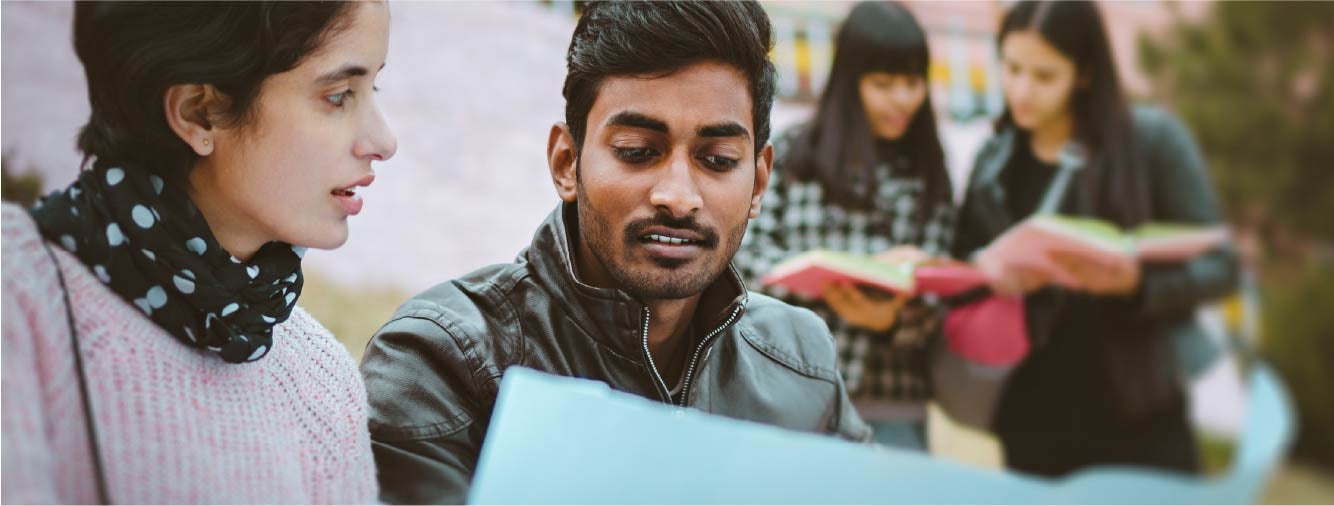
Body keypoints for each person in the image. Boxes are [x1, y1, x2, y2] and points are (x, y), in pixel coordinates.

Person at [359, 2, 871, 503]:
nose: (679, 195)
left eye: (717, 160)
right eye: (637, 152)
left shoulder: (800, 362)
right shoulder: (445, 361)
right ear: (566, 162)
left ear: (758, 183)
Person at [2, 2, 397, 503]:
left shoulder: (322, 381)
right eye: (339, 95)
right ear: (199, 112)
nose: (384, 141)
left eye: (373, 88)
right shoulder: (19, 295)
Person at [952, 0, 1237, 477]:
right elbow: (963, 270)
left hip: (1141, 410)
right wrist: (989, 275)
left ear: (1084, 74)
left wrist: (1136, 284)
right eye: (1012, 67)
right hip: (1032, 416)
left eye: (1044, 77)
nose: (1021, 90)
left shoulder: (1153, 143)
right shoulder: (993, 164)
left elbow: (1220, 266)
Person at [735, 0, 953, 452]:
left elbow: (942, 294)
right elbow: (744, 259)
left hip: (893, 406)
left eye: (912, 82)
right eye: (883, 83)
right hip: (789, 392)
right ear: (850, 82)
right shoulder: (795, 154)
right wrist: (823, 279)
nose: (902, 99)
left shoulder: (929, 168)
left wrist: (894, 318)